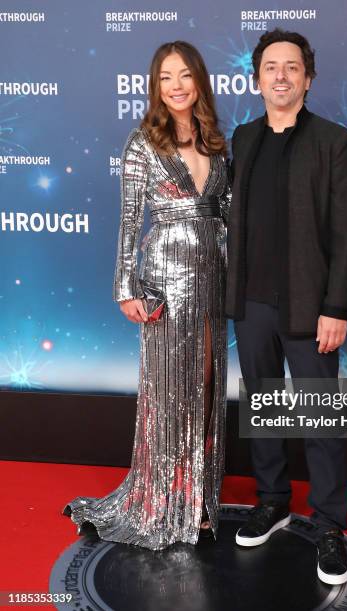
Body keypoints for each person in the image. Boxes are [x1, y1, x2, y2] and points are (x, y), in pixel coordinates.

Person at [62, 41, 231, 549]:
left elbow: (225, 213)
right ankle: (164, 499)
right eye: (165, 77)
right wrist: (124, 287)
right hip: (162, 277)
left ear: (199, 80)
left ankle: (200, 497)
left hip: (213, 277)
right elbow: (130, 220)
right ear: (154, 86)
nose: (176, 85)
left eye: (185, 75)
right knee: (169, 391)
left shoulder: (217, 141)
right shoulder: (143, 141)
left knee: (205, 385)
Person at [226, 29, 347, 584]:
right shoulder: (243, 137)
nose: (280, 76)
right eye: (270, 67)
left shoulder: (335, 141)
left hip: (312, 307)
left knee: (320, 418)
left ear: (308, 77)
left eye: (291, 67)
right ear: (256, 78)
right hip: (252, 303)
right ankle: (273, 500)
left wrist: (336, 306)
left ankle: (330, 524)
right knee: (264, 409)